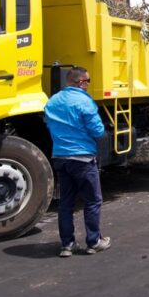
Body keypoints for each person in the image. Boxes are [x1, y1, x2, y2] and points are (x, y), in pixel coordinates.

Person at [44, 66, 110, 257]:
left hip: (60, 158)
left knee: (66, 203)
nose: (88, 85)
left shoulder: (53, 101)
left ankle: (67, 245)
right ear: (80, 82)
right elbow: (98, 131)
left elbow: (49, 124)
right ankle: (94, 242)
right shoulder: (84, 101)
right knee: (92, 201)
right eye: (88, 81)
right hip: (82, 158)